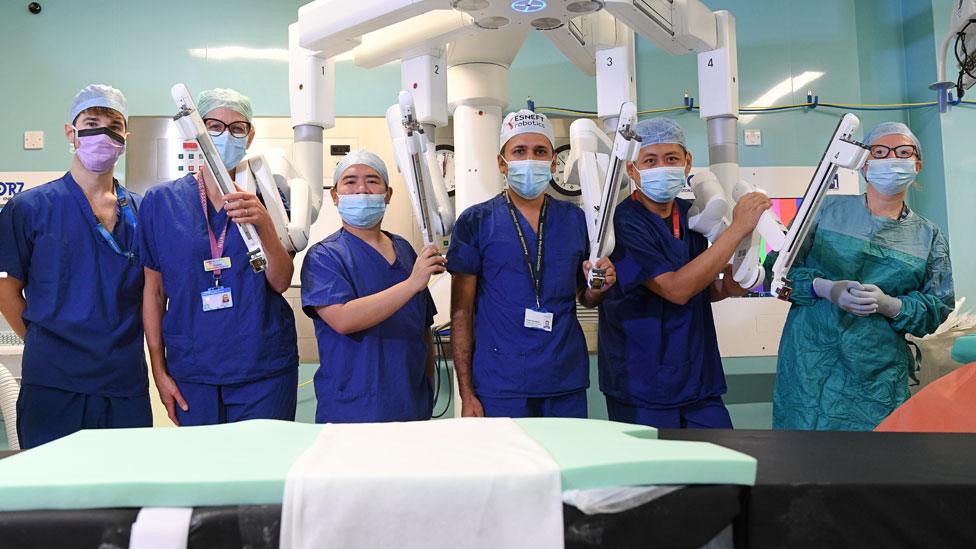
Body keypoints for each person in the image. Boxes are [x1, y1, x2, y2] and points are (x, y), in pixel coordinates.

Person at [771, 121, 954, 431]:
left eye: (902, 152)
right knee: (803, 459)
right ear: (864, 164)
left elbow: (936, 307)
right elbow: (775, 269)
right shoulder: (824, 211)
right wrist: (824, 288)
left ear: (917, 164)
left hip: (876, 374)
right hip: (810, 362)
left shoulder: (928, 236)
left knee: (871, 465)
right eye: (880, 152)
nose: (891, 159)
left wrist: (891, 305)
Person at [0, 84, 151, 447]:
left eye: (114, 124)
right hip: (53, 386)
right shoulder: (29, 209)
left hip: (123, 384)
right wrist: (45, 344)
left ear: (125, 136)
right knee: (53, 497)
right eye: (91, 122)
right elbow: (5, 290)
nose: (103, 132)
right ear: (71, 132)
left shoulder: (143, 211)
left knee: (124, 493)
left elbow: (155, 291)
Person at [137, 88, 299, 426]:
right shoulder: (161, 202)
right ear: (196, 132)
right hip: (193, 370)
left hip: (262, 369)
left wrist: (264, 223)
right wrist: (159, 368)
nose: (226, 135)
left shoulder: (269, 196)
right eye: (214, 126)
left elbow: (281, 280)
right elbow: (153, 291)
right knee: (202, 472)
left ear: (250, 136)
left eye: (237, 128)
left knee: (260, 471)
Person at [596, 117, 770, 429]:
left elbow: (701, 287)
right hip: (642, 382)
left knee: (718, 469)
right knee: (655, 477)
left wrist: (728, 286)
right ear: (632, 170)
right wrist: (740, 226)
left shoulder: (692, 215)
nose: (662, 167)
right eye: (650, 160)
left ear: (687, 162)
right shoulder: (623, 223)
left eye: (671, 158)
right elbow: (676, 289)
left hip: (696, 377)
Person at [447, 110, 616, 419]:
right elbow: (461, 313)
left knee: (566, 465)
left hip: (563, 377)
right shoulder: (476, 222)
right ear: (502, 162)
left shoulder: (576, 220)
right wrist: (466, 392)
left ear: (553, 162)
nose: (530, 159)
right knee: (507, 467)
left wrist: (599, 287)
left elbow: (586, 299)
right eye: (519, 151)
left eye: (540, 152)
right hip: (500, 382)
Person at [300, 150, 443, 423]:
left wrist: (428, 384)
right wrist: (411, 283)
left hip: (410, 405)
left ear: (388, 195)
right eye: (350, 181)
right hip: (352, 408)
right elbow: (343, 318)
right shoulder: (324, 256)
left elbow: (423, 328)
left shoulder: (404, 250)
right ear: (334, 196)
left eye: (372, 180)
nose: (362, 189)